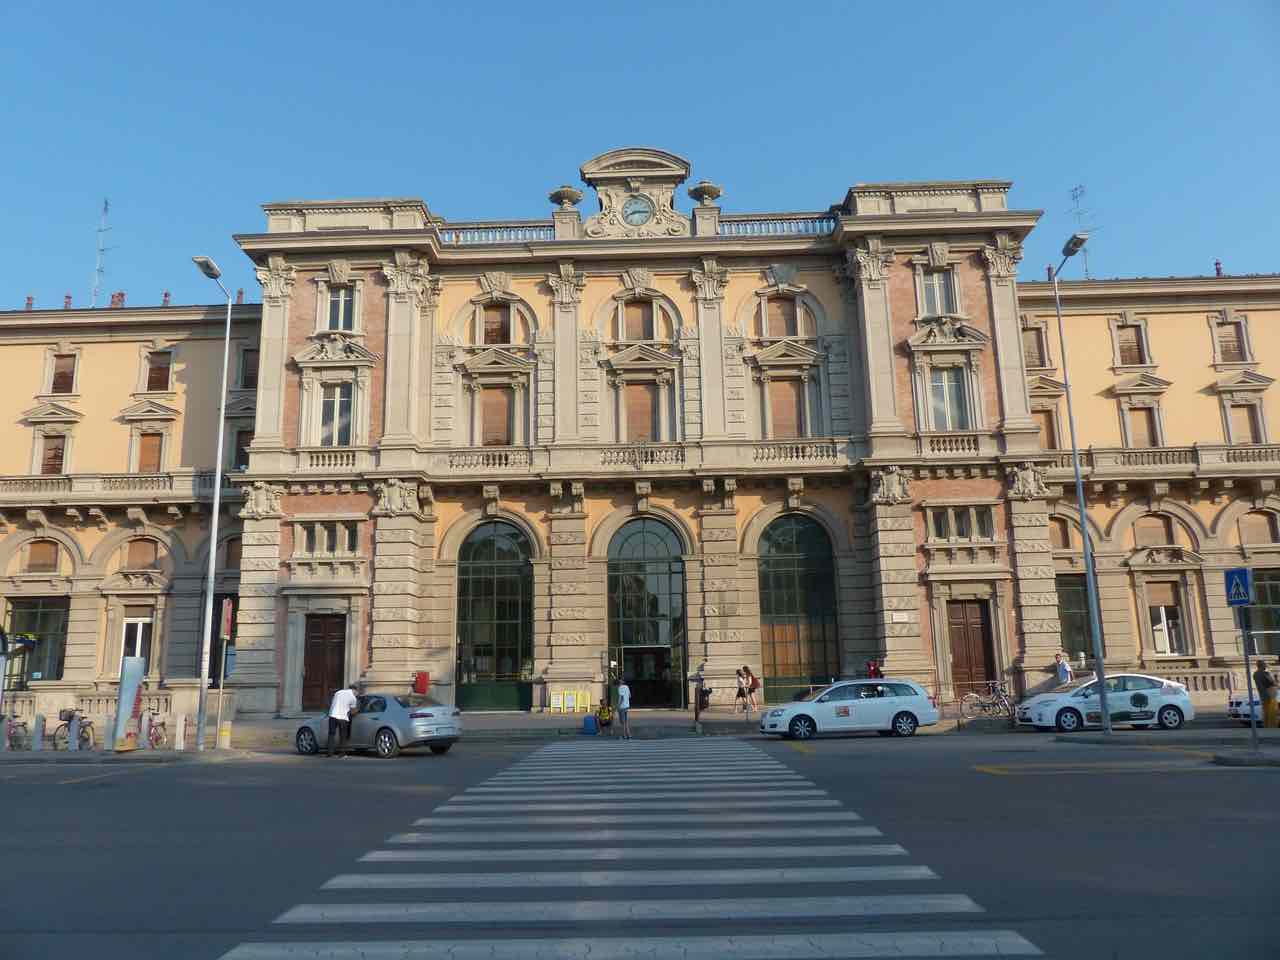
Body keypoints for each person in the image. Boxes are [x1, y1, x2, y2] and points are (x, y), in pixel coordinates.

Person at [326, 682, 359, 757]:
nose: (357, 694)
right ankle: (342, 754)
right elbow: (352, 711)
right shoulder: (353, 698)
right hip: (343, 718)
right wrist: (357, 711)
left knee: (331, 734)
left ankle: (329, 753)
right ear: (355, 690)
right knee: (343, 736)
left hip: (332, 715)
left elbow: (333, 702)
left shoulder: (338, 692)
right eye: (357, 692)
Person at [1254, 659, 1277, 729]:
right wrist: (1274, 677)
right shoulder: (1265, 673)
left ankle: (1266, 726)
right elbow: (1272, 682)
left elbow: (1260, 686)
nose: (1266, 666)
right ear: (1262, 665)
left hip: (1263, 694)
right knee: (1272, 712)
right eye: (1265, 664)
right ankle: (1272, 726)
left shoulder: (1255, 674)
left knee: (1266, 711)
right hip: (1270, 693)